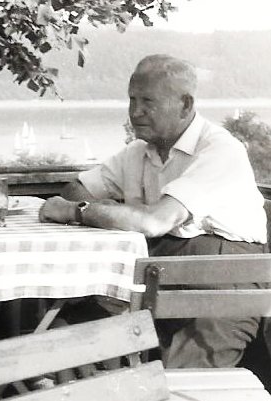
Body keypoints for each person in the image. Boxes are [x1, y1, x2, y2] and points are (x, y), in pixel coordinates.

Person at [39, 54, 268, 368]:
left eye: (148, 102)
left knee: (183, 383)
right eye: (132, 100)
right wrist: (101, 208)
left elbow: (155, 222)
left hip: (222, 281)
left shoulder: (220, 150)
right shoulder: (139, 152)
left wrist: (79, 212)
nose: (135, 112)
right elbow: (77, 189)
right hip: (155, 279)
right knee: (62, 338)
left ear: (185, 105)